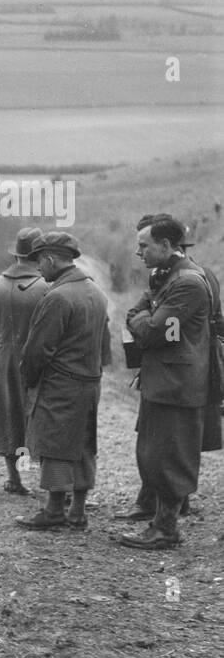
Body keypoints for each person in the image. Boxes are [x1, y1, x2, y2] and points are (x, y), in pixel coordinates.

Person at [114, 214, 224, 522]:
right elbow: (148, 315)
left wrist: (139, 317)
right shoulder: (166, 276)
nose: (139, 252)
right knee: (155, 448)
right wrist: (145, 315)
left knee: (171, 454)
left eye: (144, 246)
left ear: (165, 245)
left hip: (178, 381)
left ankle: (166, 527)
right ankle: (157, 511)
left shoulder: (187, 282)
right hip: (165, 377)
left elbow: (154, 331)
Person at [15, 231, 109, 531]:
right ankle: (78, 512)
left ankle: (54, 510)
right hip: (90, 383)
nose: (38, 268)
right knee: (84, 445)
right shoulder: (96, 292)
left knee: (54, 445)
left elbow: (37, 350)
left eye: (39, 261)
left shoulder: (57, 297)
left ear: (51, 259)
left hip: (60, 385)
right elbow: (104, 346)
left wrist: (28, 378)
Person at [0, 227, 47, 495]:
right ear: (40, 255)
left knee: (8, 412)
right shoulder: (46, 287)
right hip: (39, 358)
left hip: (5, 357)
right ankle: (50, 482)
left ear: (17, 254)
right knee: (41, 413)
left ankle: (14, 479)